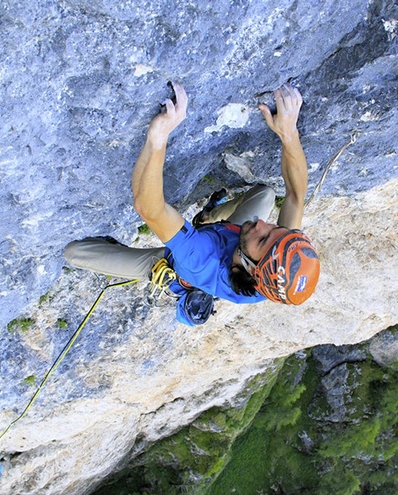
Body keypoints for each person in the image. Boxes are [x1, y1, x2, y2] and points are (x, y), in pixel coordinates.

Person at [65, 82, 320, 325]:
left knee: (75, 253)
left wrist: (158, 138)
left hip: (179, 265)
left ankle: (182, 256)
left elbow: (148, 207)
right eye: (277, 229)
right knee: (264, 194)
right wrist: (288, 132)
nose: (263, 224)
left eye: (264, 239)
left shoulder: (200, 257)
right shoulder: (278, 267)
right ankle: (208, 219)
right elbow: (296, 195)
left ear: (249, 269)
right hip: (227, 241)